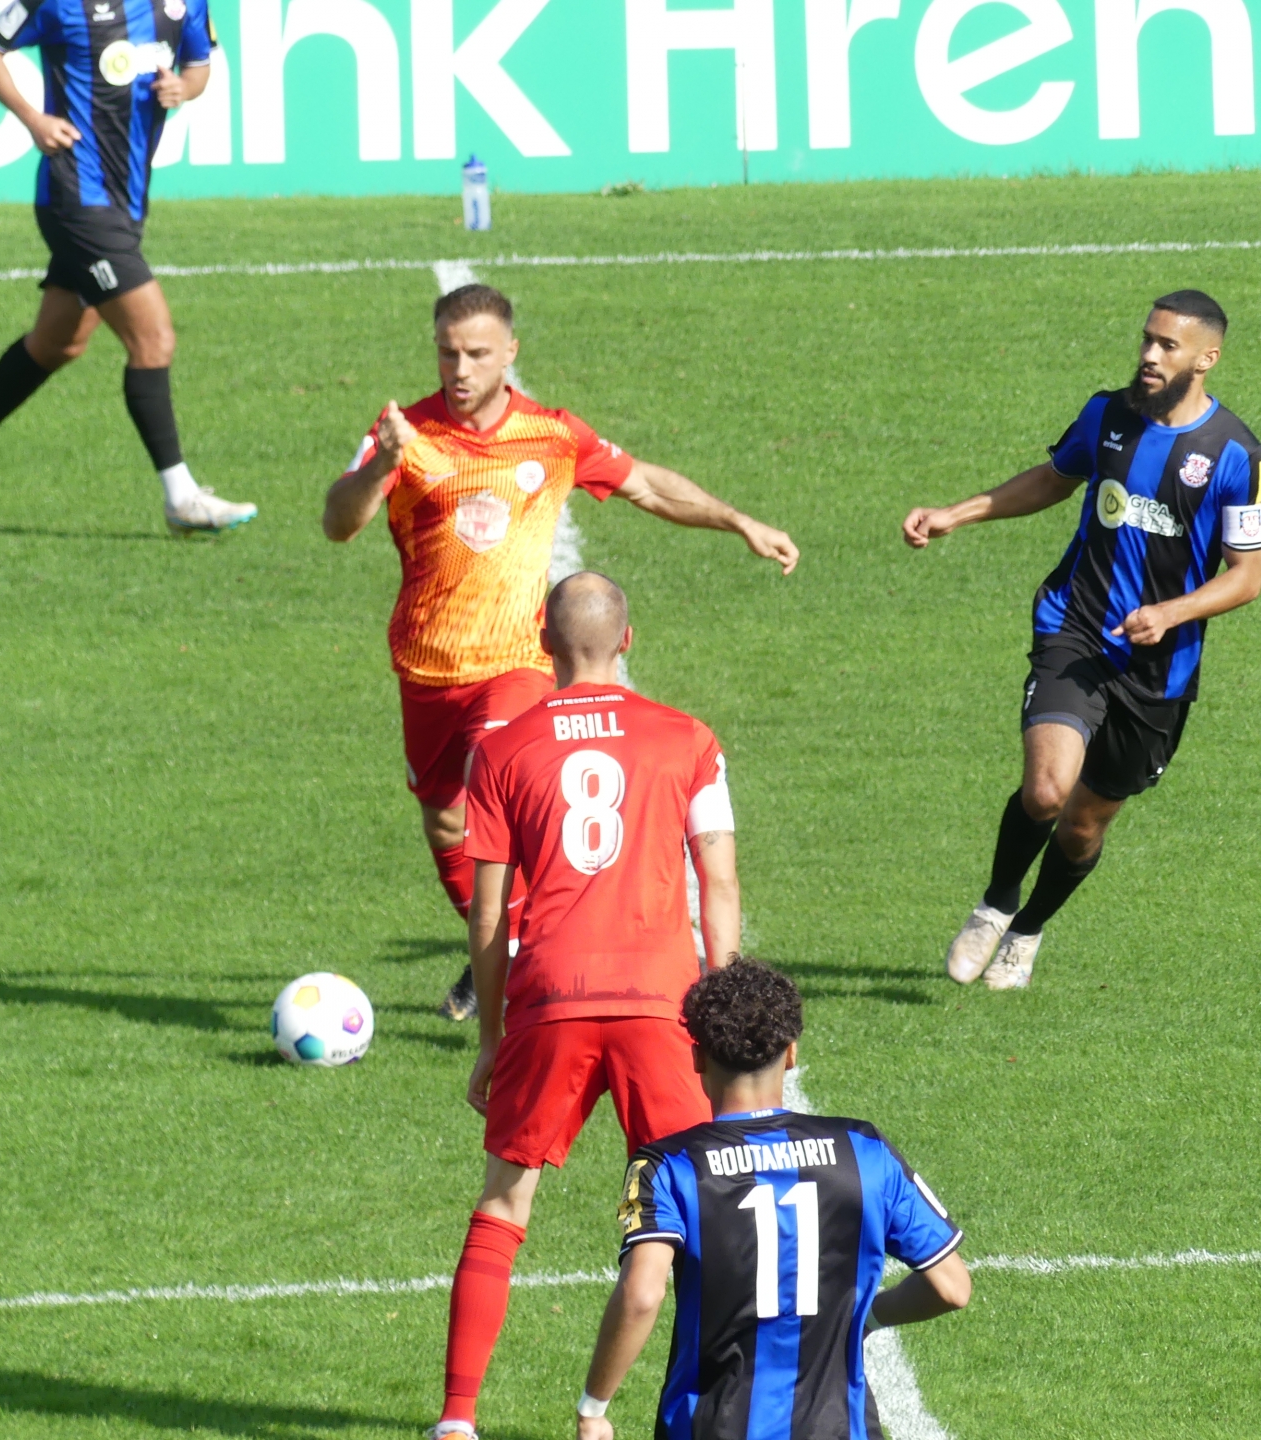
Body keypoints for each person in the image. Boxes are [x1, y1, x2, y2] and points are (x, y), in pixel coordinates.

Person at [321, 284, 796, 1022]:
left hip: (517, 664)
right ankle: (503, 949)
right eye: (448, 352)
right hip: (426, 667)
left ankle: (551, 964)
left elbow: (647, 486)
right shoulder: (403, 433)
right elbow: (338, 523)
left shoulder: (551, 434)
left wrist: (738, 522)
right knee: (447, 825)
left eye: (477, 353)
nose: (461, 367)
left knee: (494, 779)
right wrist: (381, 467)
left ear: (510, 353)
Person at [431, 571, 749, 1440]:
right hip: (660, 1002)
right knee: (698, 1209)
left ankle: (458, 1420)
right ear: (628, 639)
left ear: (542, 641)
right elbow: (718, 884)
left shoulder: (502, 750)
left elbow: (492, 912)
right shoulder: (688, 740)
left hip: (551, 998)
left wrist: (493, 1039)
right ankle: (696, 1408)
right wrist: (725, 1020)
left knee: (504, 1202)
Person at [902, 290, 1261, 991]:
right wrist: (960, 513)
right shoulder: (1107, 415)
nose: (1149, 354)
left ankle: (1029, 928)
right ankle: (995, 903)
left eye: (1167, 345)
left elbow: (1247, 577)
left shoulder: (1238, 456)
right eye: (1146, 339)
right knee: (1045, 791)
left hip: (1159, 669)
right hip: (1075, 626)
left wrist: (1172, 613)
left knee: (1081, 828)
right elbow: (1052, 478)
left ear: (1207, 357)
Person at [575, 960, 971, 1440]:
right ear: (791, 1054)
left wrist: (594, 1407)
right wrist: (872, 1317)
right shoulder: (865, 1152)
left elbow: (642, 1294)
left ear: (697, 1057)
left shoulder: (669, 1166)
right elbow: (952, 1287)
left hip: (710, 1427)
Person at [0, 0, 256, 535]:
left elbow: (199, 65)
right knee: (153, 340)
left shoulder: (185, 4)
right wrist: (33, 119)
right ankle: (182, 498)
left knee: (59, 342)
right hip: (75, 198)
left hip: (126, 203)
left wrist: (184, 90)